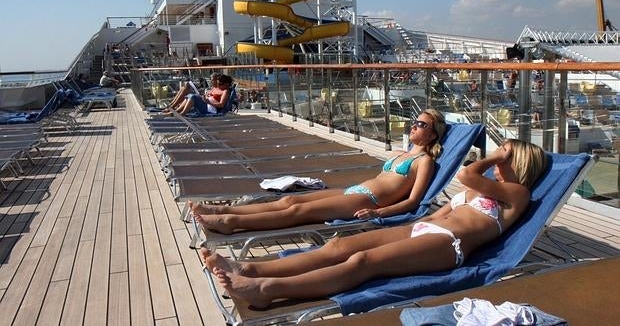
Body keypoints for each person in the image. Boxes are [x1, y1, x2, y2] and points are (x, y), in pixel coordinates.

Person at [201, 138, 548, 308]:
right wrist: (388, 220)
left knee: (362, 263)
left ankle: (266, 292)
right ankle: (248, 268)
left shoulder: (517, 194)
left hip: (448, 246)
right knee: (337, 246)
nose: (499, 159)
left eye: (506, 155)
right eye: (500, 153)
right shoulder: (491, 191)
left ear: (520, 162)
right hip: (426, 230)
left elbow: (467, 173)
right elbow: (434, 214)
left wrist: (495, 156)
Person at [191, 109, 447, 234]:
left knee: (297, 211)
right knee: (289, 199)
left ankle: (230, 222)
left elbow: (414, 201)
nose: (414, 126)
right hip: (354, 190)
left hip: (368, 200)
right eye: (414, 121)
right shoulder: (402, 154)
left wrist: (377, 212)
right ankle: (222, 210)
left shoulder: (423, 161)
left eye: (421, 124)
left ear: (432, 133)